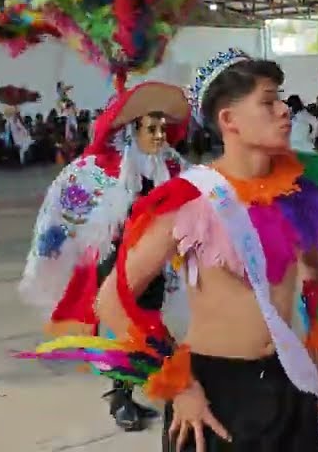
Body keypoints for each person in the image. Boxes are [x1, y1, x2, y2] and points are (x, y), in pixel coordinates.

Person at [27, 49, 318, 451]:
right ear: (229, 120)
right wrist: (177, 385)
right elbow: (112, 301)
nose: (285, 110)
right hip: (213, 393)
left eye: (281, 98)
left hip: (289, 382)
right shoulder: (191, 199)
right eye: (268, 102)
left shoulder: (297, 193)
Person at [20, 81, 190, 433]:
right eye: (152, 129)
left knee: (150, 325)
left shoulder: (171, 165)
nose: (161, 136)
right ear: (132, 130)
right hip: (115, 264)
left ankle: (133, 390)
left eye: (164, 129)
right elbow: (63, 204)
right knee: (120, 330)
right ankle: (119, 398)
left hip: (156, 264)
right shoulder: (100, 169)